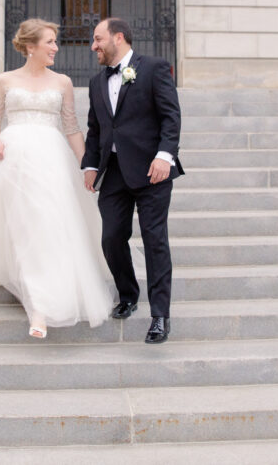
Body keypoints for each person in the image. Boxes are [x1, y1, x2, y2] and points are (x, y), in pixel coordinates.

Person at [0, 18, 113, 339]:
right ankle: (36, 303)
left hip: (51, 159)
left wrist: (87, 166)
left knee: (45, 223)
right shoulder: (4, 80)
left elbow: (71, 128)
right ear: (30, 47)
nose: (56, 48)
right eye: (50, 42)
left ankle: (40, 305)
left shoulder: (63, 82)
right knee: (22, 224)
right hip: (12, 157)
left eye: (55, 42)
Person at [82, 18, 183, 344]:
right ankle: (128, 294)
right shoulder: (97, 83)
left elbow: (171, 116)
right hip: (114, 174)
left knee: (155, 242)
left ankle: (160, 316)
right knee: (111, 237)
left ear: (118, 37)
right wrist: (90, 165)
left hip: (153, 171)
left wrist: (164, 156)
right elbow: (96, 129)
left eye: (98, 39)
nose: (93, 46)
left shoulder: (153, 68)